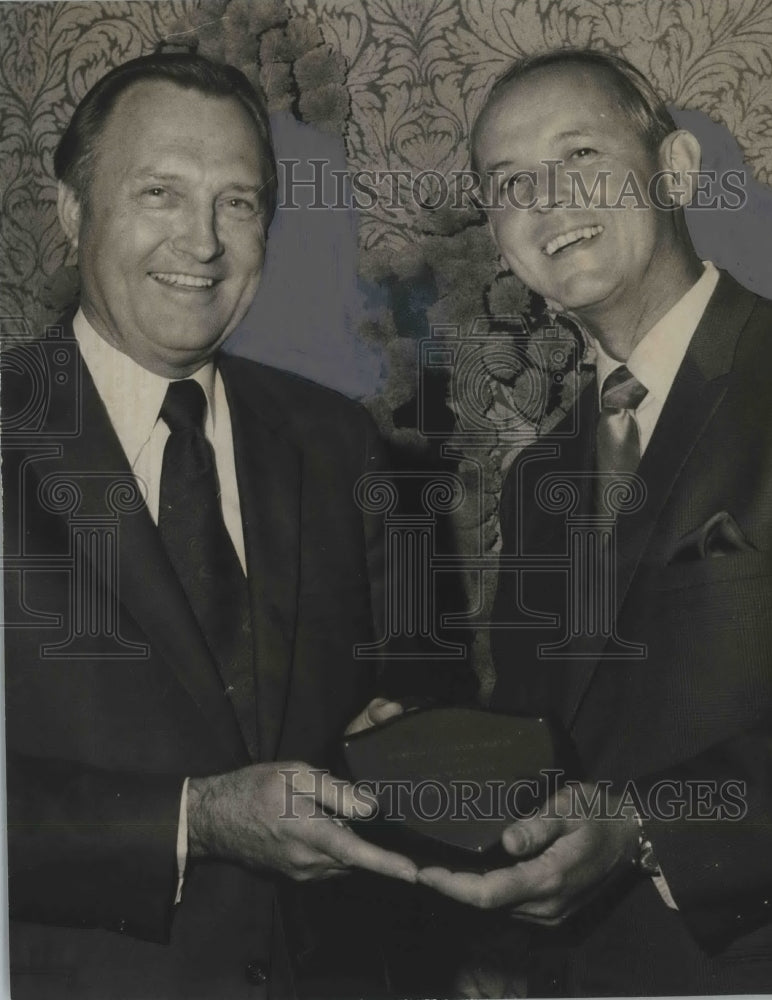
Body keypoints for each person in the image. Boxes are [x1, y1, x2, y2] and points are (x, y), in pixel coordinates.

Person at [2, 51, 417, 1000]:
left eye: (238, 203)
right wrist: (192, 819)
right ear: (71, 214)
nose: (202, 243)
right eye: (159, 192)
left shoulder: (336, 442)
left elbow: (404, 686)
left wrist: (401, 742)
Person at [417, 48, 772, 995]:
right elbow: (553, 745)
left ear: (678, 171)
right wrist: (425, 752)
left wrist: (650, 831)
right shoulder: (541, 479)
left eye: (580, 155)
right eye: (510, 183)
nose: (548, 199)